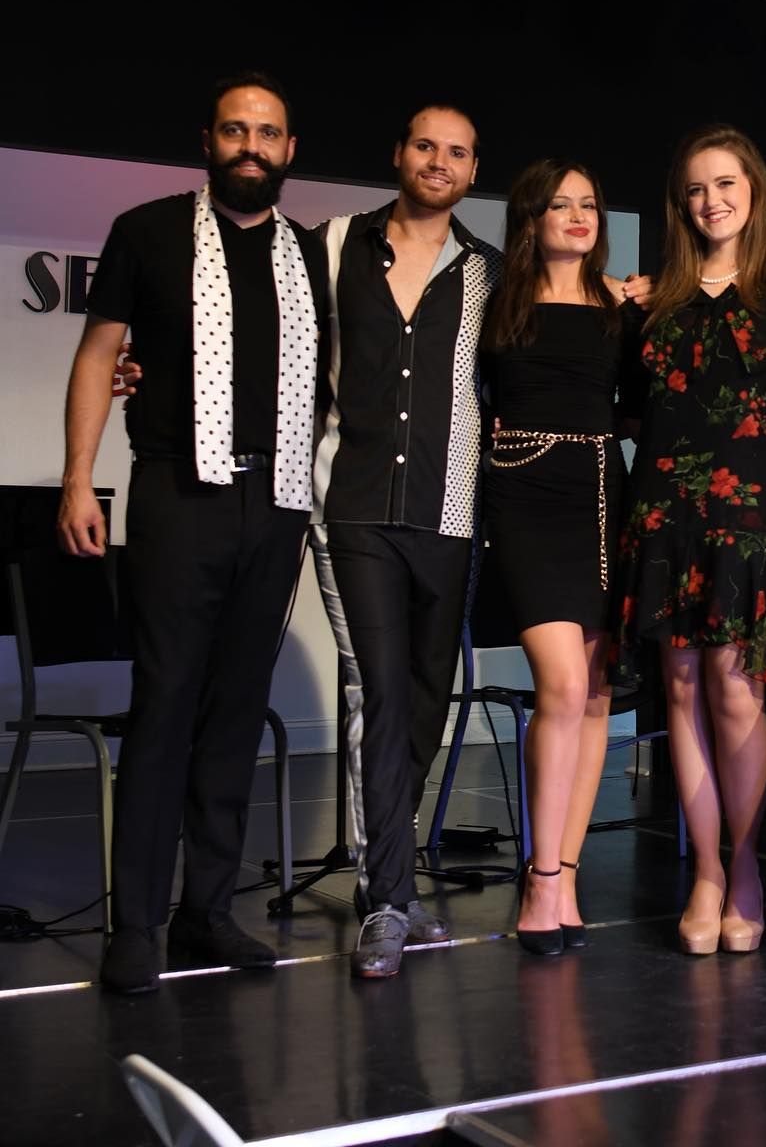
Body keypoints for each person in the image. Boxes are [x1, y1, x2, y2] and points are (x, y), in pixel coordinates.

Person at [57, 71, 327, 994]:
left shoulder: (312, 258)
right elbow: (99, 355)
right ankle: (135, 923)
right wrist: (78, 479)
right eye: (235, 132)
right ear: (207, 141)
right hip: (177, 491)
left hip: (277, 501)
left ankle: (206, 911)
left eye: (269, 134)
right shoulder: (147, 231)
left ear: (290, 151)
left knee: (235, 710)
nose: (252, 147)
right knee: (166, 702)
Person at [307, 104, 504, 979]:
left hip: (450, 514)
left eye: (456, 153)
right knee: (381, 694)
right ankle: (387, 895)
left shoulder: (490, 273)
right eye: (426, 145)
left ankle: (386, 868)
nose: (438, 161)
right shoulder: (331, 243)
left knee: (425, 700)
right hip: (352, 513)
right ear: (399, 154)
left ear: (470, 172)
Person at [617, 124, 766, 954]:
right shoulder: (649, 302)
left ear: (753, 191)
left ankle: (746, 862)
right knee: (685, 691)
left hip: (752, 516)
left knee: (737, 691)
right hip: (665, 512)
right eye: (696, 188)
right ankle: (703, 870)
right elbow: (622, 405)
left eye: (725, 183)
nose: (711, 200)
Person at [481, 159, 641, 953]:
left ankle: (567, 873)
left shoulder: (620, 307)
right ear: (531, 217)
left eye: (589, 203)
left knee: (598, 695)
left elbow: (648, 403)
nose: (577, 216)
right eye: (559, 204)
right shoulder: (494, 299)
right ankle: (540, 880)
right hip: (523, 496)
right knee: (563, 684)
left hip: (604, 495)